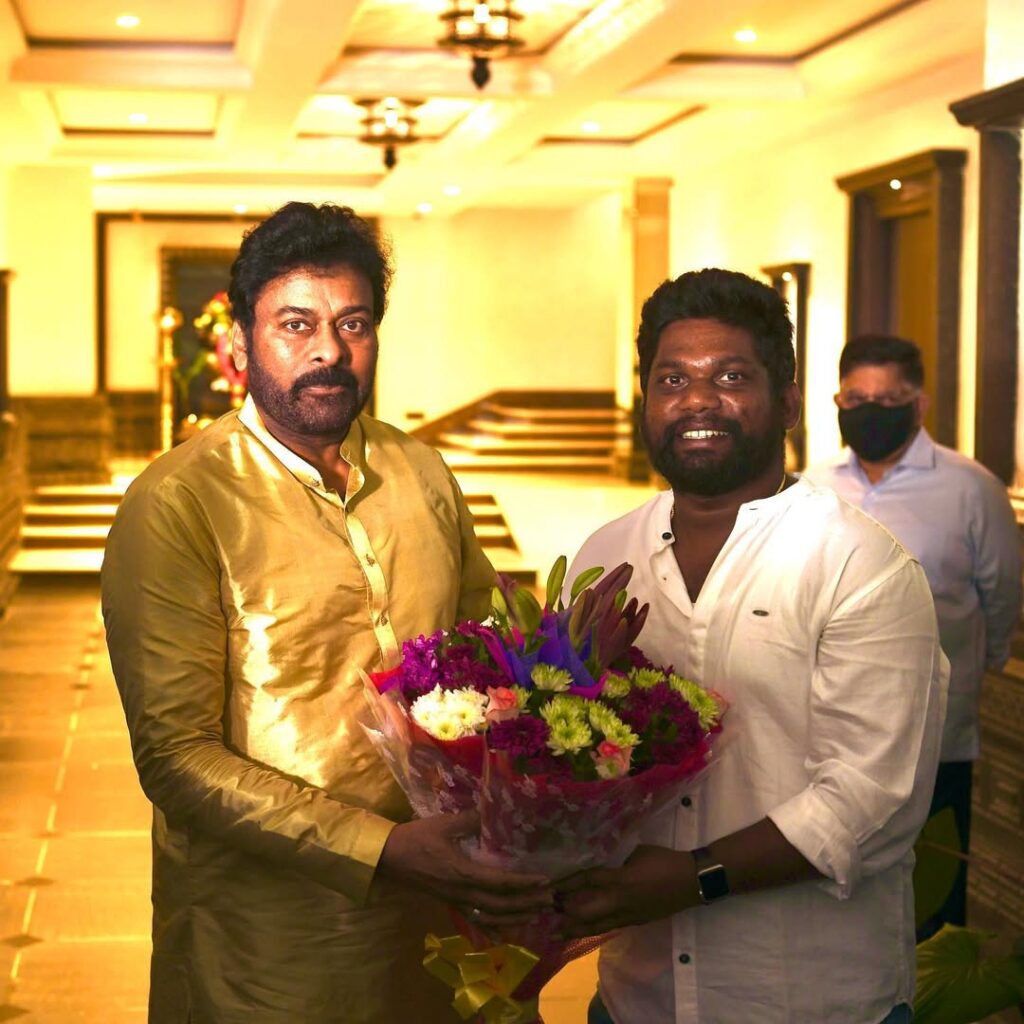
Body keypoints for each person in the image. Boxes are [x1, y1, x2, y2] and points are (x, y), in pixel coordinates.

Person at [101, 202, 551, 1024]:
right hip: (270, 946)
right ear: (241, 344)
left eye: (354, 323)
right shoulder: (178, 502)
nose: (330, 351)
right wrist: (381, 849)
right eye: (295, 324)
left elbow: (492, 650)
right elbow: (174, 755)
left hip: (449, 913)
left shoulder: (422, 471)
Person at [560, 269, 947, 1024]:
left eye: (731, 377)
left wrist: (692, 879)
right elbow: (570, 751)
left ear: (790, 404)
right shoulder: (605, 557)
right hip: (637, 996)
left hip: (805, 999)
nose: (698, 400)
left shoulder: (857, 563)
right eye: (673, 379)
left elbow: (871, 802)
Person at [804, 334, 1022, 936]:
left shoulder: (971, 488)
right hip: (828, 729)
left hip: (936, 727)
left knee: (931, 890)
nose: (870, 411)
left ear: (918, 404)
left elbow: (1000, 594)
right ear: (837, 400)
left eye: (887, 399)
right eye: (856, 399)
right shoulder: (811, 487)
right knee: (835, 884)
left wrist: (977, 668)